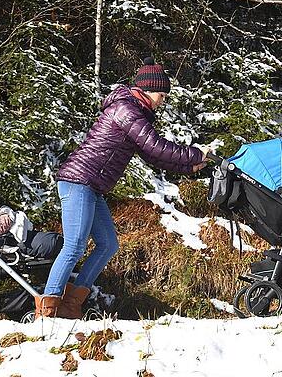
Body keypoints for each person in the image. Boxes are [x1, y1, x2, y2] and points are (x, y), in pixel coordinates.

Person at [37, 57, 208, 319]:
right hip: (78, 181)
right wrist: (195, 153)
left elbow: (151, 156)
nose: (163, 100)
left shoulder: (136, 114)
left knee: (108, 245)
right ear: (147, 90)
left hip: (93, 188)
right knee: (74, 246)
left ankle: (72, 304)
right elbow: (155, 145)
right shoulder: (126, 110)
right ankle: (47, 310)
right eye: (161, 94)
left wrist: (189, 168)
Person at [0, 186, 63, 259]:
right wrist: (7, 217)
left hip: (21, 236)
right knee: (52, 242)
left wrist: (5, 213)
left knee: (53, 240)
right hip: (13, 241)